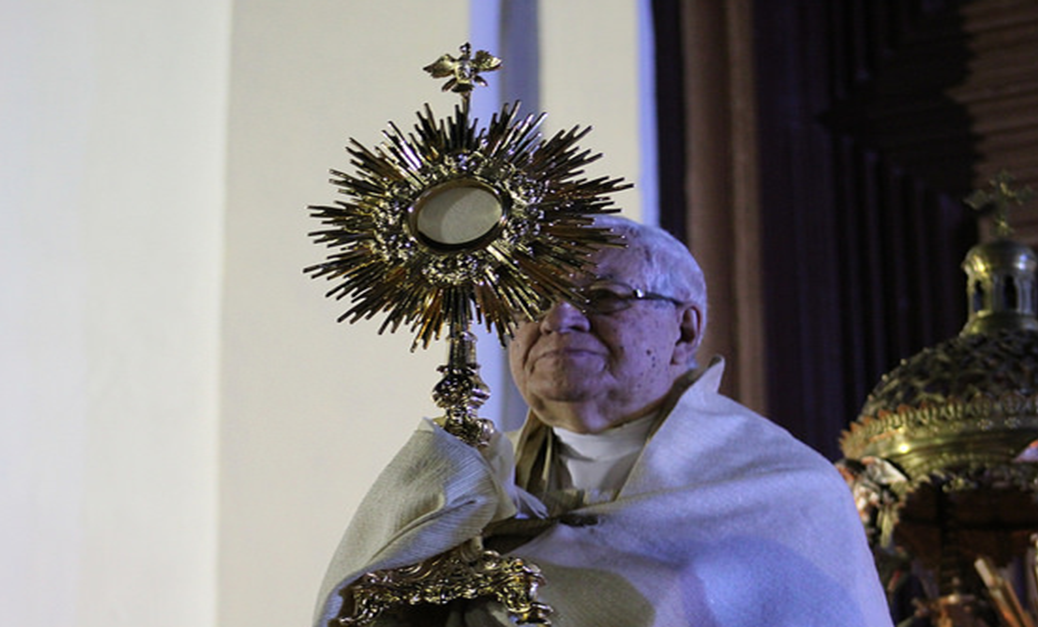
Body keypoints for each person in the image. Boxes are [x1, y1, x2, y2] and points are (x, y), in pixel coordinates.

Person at [313, 216, 893, 626]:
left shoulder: (785, 492)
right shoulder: (463, 484)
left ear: (685, 331)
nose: (559, 319)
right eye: (532, 301)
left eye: (604, 296)